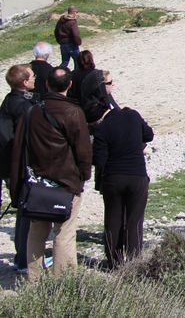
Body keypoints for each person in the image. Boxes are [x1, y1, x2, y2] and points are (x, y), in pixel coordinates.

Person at [9, 67, 92, 282]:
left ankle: (34, 281)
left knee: (37, 232)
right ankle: (63, 283)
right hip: (66, 181)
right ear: (70, 85)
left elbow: (19, 147)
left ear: (47, 85)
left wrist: (17, 185)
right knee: (64, 233)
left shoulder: (32, 111)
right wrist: (84, 175)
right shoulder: (73, 112)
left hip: (37, 182)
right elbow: (83, 150)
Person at [92, 97, 154, 267]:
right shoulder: (133, 116)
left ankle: (114, 263)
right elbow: (149, 135)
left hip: (113, 177)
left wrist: (102, 180)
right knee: (135, 221)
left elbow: (99, 158)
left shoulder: (103, 127)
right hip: (137, 176)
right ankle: (135, 264)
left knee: (113, 220)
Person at [1, 64, 41, 275]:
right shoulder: (24, 106)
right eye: (32, 76)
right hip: (23, 166)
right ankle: (26, 259)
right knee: (29, 212)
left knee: (23, 212)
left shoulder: (8, 102)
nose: (35, 78)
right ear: (25, 82)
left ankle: (22, 257)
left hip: (10, 166)